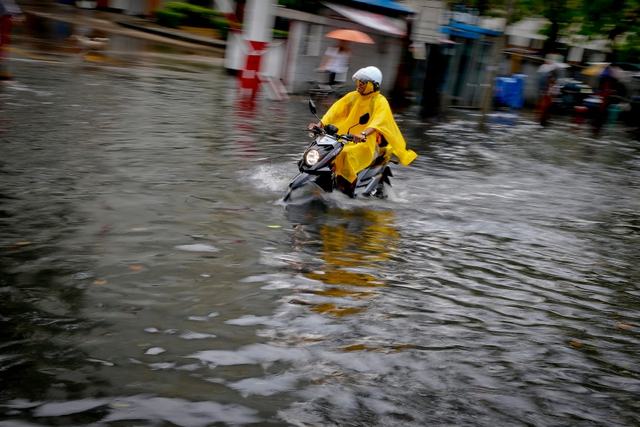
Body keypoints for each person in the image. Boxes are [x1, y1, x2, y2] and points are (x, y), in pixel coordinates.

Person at [308, 66, 417, 189]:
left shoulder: (379, 101)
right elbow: (334, 112)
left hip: (365, 143)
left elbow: (378, 122)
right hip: (343, 139)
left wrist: (363, 134)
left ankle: (347, 187)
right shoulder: (352, 97)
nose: (360, 84)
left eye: (364, 82)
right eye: (359, 81)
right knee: (323, 151)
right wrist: (318, 125)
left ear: (373, 85)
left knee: (344, 155)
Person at [0, 0, 22, 80]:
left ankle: (2, 70)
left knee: (3, 45)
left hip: (5, 19)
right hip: (4, 20)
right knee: (3, 45)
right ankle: (2, 71)